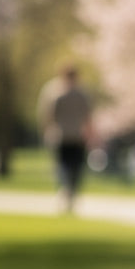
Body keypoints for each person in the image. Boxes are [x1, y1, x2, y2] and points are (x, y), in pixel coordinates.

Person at [36, 64, 93, 213]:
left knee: (67, 167)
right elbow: (88, 118)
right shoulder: (80, 94)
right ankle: (70, 192)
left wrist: (47, 131)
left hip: (66, 136)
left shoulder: (57, 93)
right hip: (72, 137)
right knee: (72, 167)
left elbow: (48, 116)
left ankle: (68, 192)